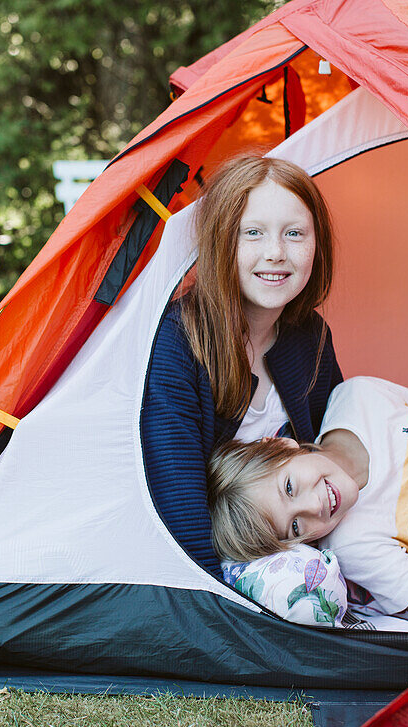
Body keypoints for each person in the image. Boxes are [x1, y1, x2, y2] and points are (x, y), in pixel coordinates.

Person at [140, 155, 343, 576]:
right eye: (252, 233)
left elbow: (333, 450)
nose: (276, 253)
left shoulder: (310, 338)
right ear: (221, 243)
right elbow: (180, 514)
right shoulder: (181, 343)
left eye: (294, 234)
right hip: (209, 573)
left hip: (303, 547)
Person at [207, 376, 408, 616]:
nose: (314, 506)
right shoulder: (352, 545)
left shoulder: (357, 396)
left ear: (282, 446)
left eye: (289, 488)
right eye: (295, 527)